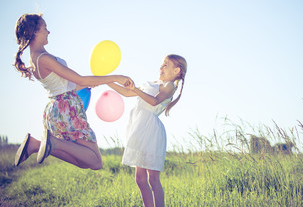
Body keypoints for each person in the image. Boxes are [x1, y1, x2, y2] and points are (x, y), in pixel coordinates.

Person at [13, 13, 132, 170]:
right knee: (95, 162)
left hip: (58, 107)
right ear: (35, 31)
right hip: (67, 108)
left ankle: (37, 145)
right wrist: (117, 77)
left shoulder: (36, 58)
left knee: (84, 161)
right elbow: (80, 80)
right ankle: (52, 142)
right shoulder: (43, 58)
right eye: (45, 28)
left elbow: (69, 85)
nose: (48, 32)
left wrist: (92, 84)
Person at [108, 54, 187, 207]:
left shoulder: (170, 85)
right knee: (140, 178)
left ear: (176, 70)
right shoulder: (154, 83)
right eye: (161, 64)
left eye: (166, 65)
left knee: (153, 178)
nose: (161, 67)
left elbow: (154, 101)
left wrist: (136, 90)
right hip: (138, 128)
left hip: (150, 130)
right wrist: (106, 82)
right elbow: (126, 93)